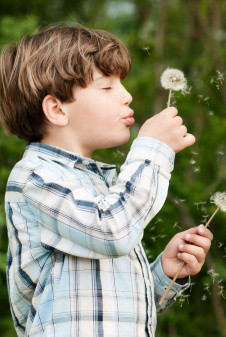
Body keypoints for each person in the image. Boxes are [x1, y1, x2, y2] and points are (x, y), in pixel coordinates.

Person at [0, 24, 213, 336]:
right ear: (57, 109)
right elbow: (112, 232)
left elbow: (113, 312)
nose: (126, 96)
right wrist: (152, 149)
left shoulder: (102, 189)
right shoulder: (36, 177)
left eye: (121, 84)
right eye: (107, 87)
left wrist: (163, 273)